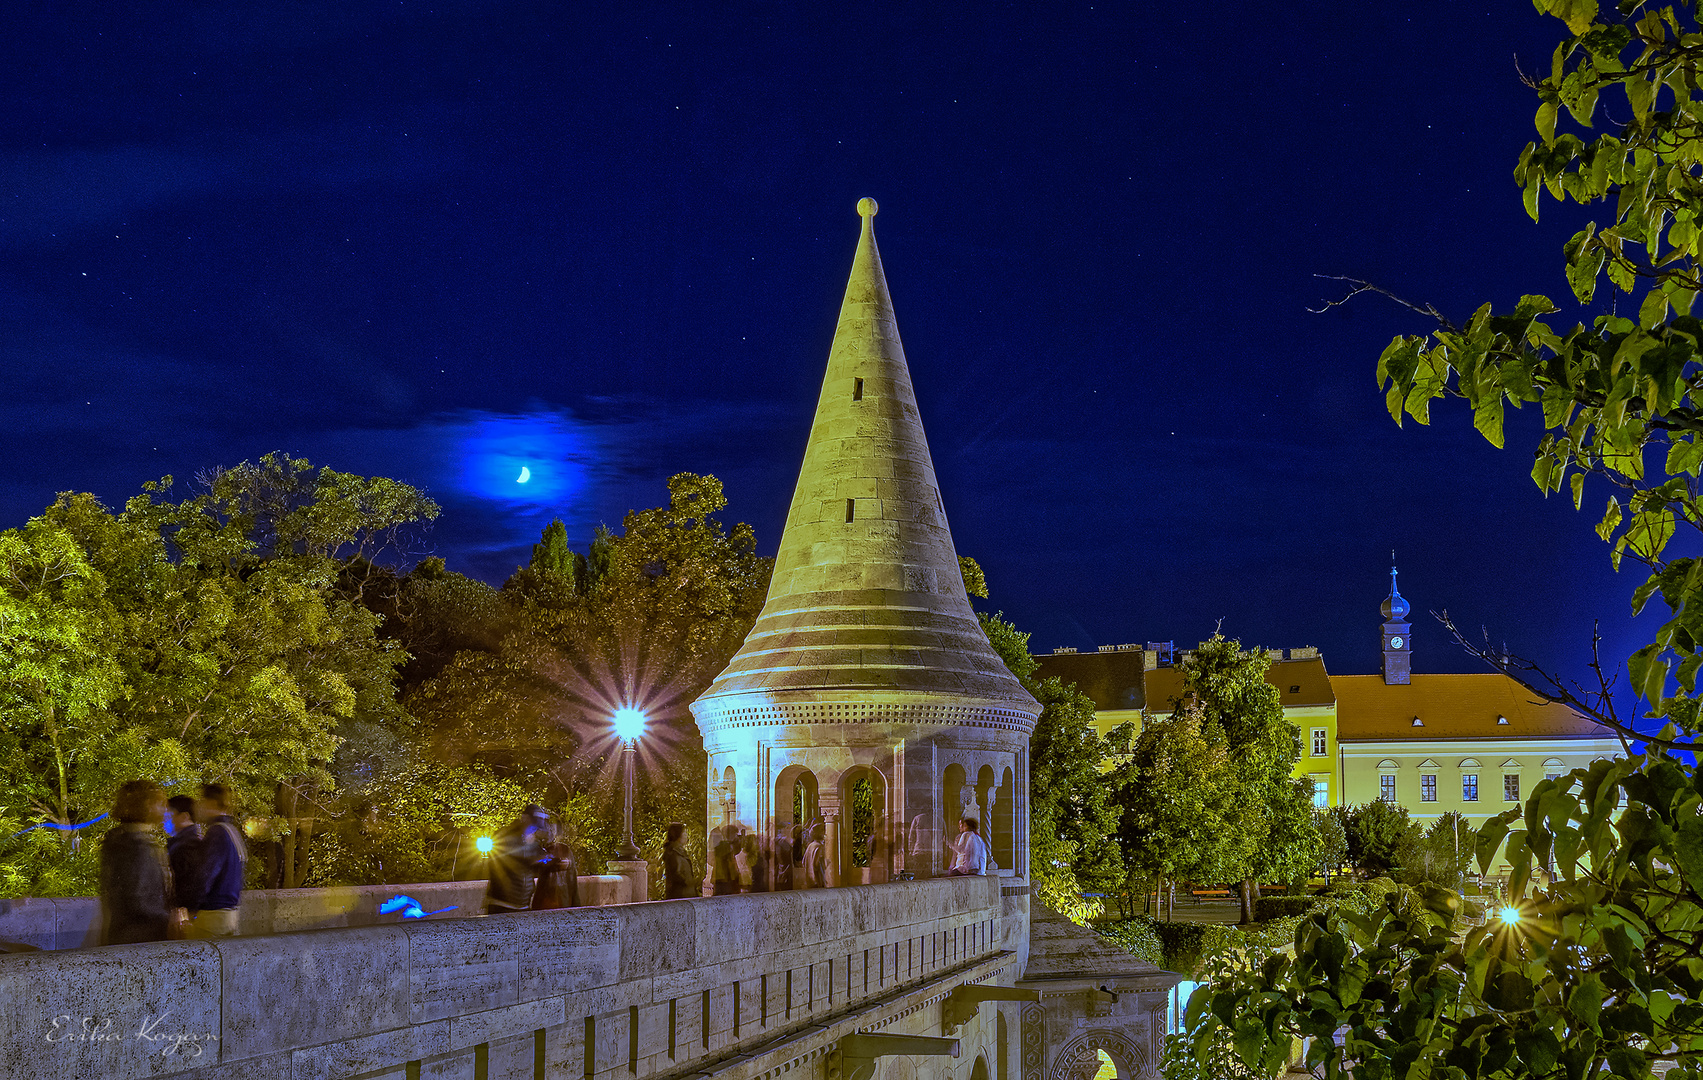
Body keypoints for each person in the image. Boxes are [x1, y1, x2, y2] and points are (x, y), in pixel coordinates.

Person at [98, 780, 181, 945]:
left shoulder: (118, 841)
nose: (165, 809)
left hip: (123, 936)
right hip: (144, 940)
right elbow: (140, 900)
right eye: (160, 803)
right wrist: (169, 919)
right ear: (147, 805)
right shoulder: (139, 847)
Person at [187, 783, 246, 937]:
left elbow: (206, 874)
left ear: (211, 803)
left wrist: (192, 907)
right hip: (231, 915)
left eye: (202, 802)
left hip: (212, 918)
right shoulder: (233, 831)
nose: (199, 808)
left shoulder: (217, 832)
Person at [486, 805, 552, 914]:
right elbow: (513, 858)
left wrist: (549, 860)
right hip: (501, 905)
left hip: (523, 906)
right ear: (525, 818)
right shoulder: (505, 836)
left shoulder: (535, 844)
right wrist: (536, 859)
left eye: (535, 828)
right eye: (532, 826)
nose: (533, 831)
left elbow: (539, 862)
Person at [164, 795, 202, 915]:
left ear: (184, 816)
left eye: (169, 815)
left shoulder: (186, 847)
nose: (164, 820)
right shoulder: (188, 843)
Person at [532, 838, 581, 910]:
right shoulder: (542, 853)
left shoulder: (565, 851)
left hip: (560, 903)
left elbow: (572, 881)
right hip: (547, 903)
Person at [662, 821, 697, 899]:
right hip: (680, 895)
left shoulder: (681, 852)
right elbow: (675, 874)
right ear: (678, 835)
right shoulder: (672, 852)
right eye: (684, 833)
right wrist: (687, 882)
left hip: (687, 894)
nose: (686, 836)